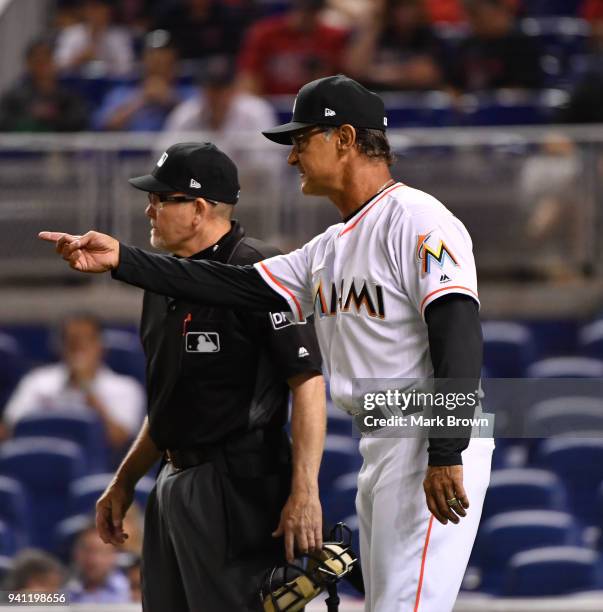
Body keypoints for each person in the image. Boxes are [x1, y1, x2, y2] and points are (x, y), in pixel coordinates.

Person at [40, 75, 494, 611]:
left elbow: (458, 331)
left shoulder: (417, 219)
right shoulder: (329, 246)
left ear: (345, 139)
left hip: (426, 432)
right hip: (384, 440)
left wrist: (446, 451)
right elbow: (229, 282)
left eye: (302, 140)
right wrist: (123, 260)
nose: (291, 157)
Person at [49, 142, 325, 611]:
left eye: (161, 199)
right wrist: (124, 481)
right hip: (173, 479)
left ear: (198, 209)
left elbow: (308, 381)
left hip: (236, 484)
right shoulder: (163, 281)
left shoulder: (259, 268)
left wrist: (305, 489)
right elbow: (169, 402)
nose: (148, 209)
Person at [1, 313, 145, 454]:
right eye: (72, 341)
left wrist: (86, 388)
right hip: (40, 461)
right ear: (61, 347)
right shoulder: (37, 381)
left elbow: (121, 441)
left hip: (100, 469)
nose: (79, 348)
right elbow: (9, 430)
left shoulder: (126, 387)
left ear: (101, 346)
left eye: (86, 341)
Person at [237, 0, 349, 95]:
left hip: (314, 105)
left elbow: (343, 77)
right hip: (272, 103)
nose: (306, 17)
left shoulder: (332, 36)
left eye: (312, 12)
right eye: (302, 10)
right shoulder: (266, 33)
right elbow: (250, 75)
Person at [93, 33, 194, 132]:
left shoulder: (189, 94)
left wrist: (169, 99)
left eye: (165, 62)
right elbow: (104, 126)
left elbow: (200, 120)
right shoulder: (121, 93)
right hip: (131, 146)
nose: (159, 66)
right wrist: (141, 99)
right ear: (144, 63)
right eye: (154, 61)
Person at [344, 0, 443, 91]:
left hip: (416, 102)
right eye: (398, 7)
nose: (404, 14)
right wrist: (374, 25)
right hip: (376, 99)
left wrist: (375, 73)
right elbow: (355, 70)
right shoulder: (374, 31)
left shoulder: (425, 34)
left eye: (409, 6)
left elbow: (424, 75)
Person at [446, 0, 543, 92]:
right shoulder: (467, 45)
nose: (473, 21)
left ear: (498, 12)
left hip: (507, 108)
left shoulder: (521, 45)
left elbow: (525, 89)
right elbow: (453, 85)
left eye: (477, 14)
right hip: (471, 106)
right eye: (470, 14)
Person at [0, 39, 88, 132]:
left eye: (47, 59)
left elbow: (80, 121)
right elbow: (3, 121)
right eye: (38, 61)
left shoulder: (68, 96)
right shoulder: (14, 96)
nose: (43, 66)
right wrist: (30, 116)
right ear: (29, 64)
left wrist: (53, 116)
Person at [54, 0, 134, 77]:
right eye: (91, 8)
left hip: (109, 85)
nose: (95, 13)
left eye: (99, 8)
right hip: (75, 85)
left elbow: (127, 68)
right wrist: (80, 58)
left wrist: (107, 64)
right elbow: (57, 65)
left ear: (108, 11)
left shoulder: (119, 36)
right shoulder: (71, 34)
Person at [66, 523, 130, 604]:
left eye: (101, 552)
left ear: (114, 555)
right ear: (76, 554)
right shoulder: (62, 591)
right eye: (87, 551)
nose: (94, 560)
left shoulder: (130, 591)